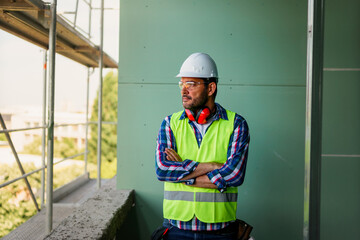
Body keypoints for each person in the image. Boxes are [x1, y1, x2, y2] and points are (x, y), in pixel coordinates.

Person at [155, 53, 250, 240]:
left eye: (191, 84)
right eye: (182, 84)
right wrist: (213, 166)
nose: (184, 90)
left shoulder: (236, 124)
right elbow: (163, 170)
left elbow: (234, 175)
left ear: (210, 88)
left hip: (220, 232)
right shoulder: (170, 124)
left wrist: (183, 176)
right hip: (176, 228)